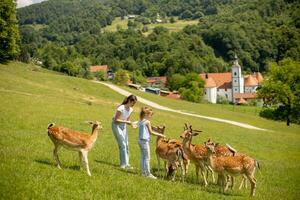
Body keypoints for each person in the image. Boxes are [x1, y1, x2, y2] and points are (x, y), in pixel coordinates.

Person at [138, 107, 166, 179]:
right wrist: (161, 135)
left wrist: (156, 128)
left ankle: (143, 172)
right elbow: (151, 132)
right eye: (150, 115)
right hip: (144, 141)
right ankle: (148, 174)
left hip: (140, 140)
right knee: (147, 158)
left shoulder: (141, 121)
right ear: (146, 114)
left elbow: (150, 128)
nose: (151, 117)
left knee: (142, 157)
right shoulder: (147, 122)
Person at [112, 94, 137, 169]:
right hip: (116, 126)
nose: (133, 105)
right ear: (129, 101)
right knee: (122, 145)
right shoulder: (121, 108)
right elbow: (116, 120)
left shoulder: (131, 109)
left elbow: (127, 120)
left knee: (126, 145)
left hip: (123, 126)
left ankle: (127, 164)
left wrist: (132, 124)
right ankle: (123, 165)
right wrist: (127, 122)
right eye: (133, 103)